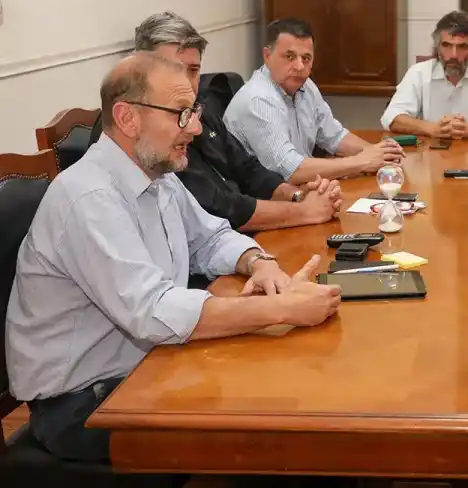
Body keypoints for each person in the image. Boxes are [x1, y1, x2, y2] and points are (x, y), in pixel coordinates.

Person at [6, 53, 342, 464]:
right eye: (182, 114)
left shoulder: (158, 175)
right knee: (275, 437)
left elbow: (212, 237)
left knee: (291, 396)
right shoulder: (88, 197)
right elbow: (152, 311)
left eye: (195, 112)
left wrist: (260, 262)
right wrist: (279, 309)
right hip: (82, 405)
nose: (197, 128)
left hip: (146, 366)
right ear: (128, 118)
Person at [90, 12, 343, 233]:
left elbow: (246, 169)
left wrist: (298, 196)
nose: (187, 83)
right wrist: (306, 212)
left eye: (193, 70)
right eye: (173, 69)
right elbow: (217, 208)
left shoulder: (199, 108)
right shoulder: (141, 128)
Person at [224, 18, 405, 183]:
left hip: (300, 190)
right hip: (259, 203)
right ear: (267, 56)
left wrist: (379, 154)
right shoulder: (258, 100)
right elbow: (290, 170)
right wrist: (361, 162)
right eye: (289, 56)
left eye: (306, 58)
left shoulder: (306, 86)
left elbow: (333, 135)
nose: (299, 66)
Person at [380, 10, 468, 138]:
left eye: (462, 47)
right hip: (430, 157)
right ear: (437, 46)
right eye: (447, 45)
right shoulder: (418, 73)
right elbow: (391, 118)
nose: (453, 55)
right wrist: (431, 128)